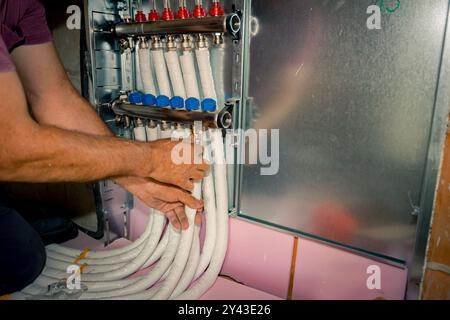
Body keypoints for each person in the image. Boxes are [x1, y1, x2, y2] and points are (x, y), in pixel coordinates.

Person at [0, 0, 208, 295]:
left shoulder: (26, 7)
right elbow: (11, 148)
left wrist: (137, 180)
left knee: (24, 256)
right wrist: (148, 159)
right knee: (17, 262)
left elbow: (55, 98)